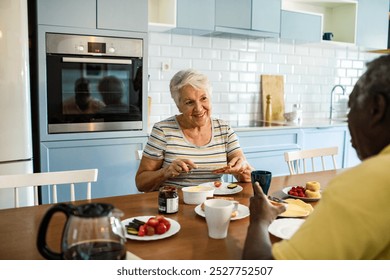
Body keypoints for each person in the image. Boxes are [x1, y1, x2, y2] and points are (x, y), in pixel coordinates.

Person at [242, 55, 390, 260]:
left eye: (351, 107)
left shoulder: (371, 180)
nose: (348, 119)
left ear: (376, 108)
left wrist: (259, 220)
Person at [135, 69, 253, 192]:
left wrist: (243, 169)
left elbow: (248, 176)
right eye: (189, 102)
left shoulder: (224, 130)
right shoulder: (162, 131)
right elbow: (141, 183)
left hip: (214, 203)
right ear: (178, 106)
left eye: (203, 98)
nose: (199, 108)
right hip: (173, 204)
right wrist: (165, 172)